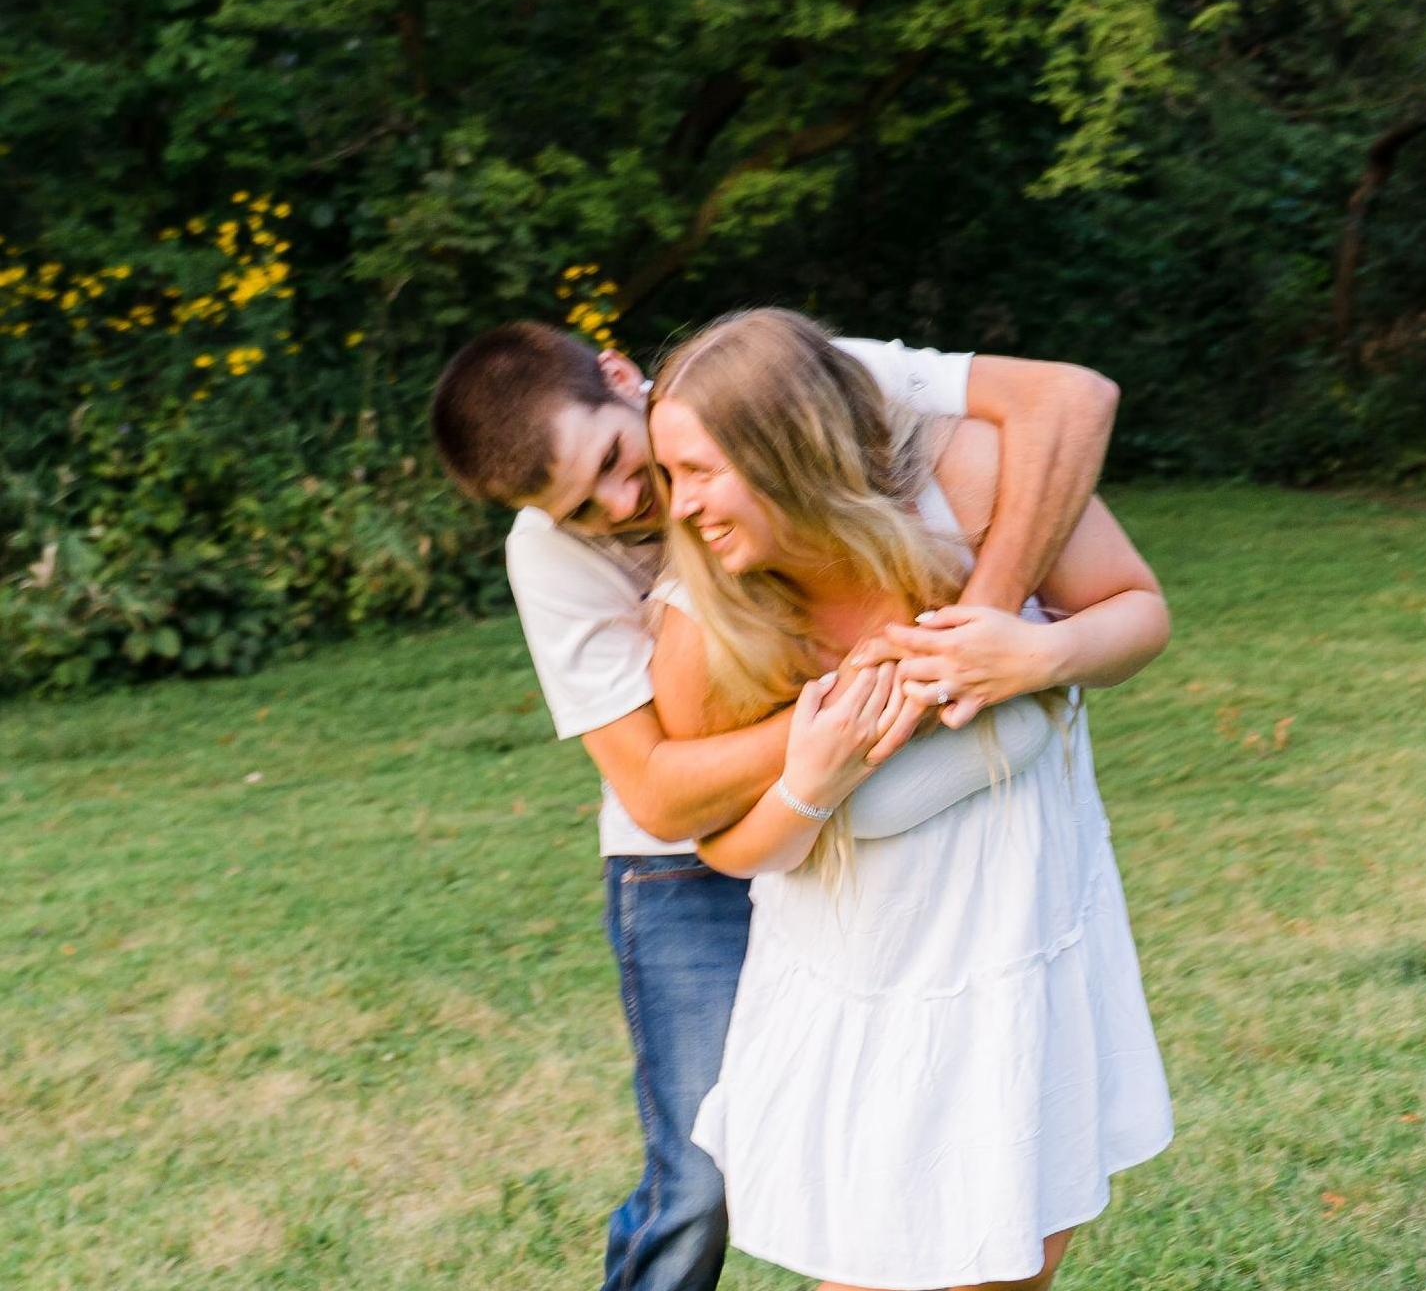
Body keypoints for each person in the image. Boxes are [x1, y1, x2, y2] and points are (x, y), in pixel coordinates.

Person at [430, 318, 1122, 1291]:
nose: (626, 506)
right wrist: (847, 710)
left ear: (626, 380)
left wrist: (983, 624)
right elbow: (658, 792)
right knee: (705, 1179)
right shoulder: (549, 561)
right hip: (678, 857)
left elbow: (1072, 398)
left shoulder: (777, 387)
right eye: (581, 507)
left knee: (933, 1145)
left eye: (622, 464)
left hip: (882, 830)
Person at [647, 309, 1173, 1291]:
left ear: (789, 454)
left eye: (701, 471)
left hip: (1023, 962)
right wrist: (811, 779)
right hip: (875, 1007)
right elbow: (723, 850)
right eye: (670, 474)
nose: (681, 508)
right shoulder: (715, 619)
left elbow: (1139, 612)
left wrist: (1038, 650)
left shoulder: (971, 486)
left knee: (1017, 1270)